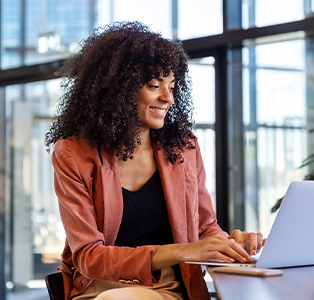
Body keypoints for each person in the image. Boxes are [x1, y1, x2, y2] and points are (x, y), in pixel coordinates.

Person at [45, 21, 265, 300]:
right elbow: (89, 256)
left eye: (172, 87)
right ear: (118, 90)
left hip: (173, 286)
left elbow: (206, 227)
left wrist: (231, 244)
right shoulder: (73, 154)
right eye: (154, 85)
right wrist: (184, 250)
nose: (167, 97)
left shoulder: (183, 148)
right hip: (104, 287)